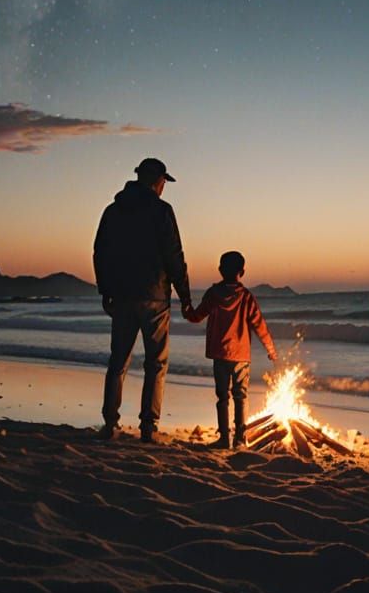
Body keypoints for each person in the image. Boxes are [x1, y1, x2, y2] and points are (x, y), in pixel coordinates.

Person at [93, 158, 191, 442]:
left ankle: (110, 424)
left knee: (119, 361)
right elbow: (174, 255)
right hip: (155, 297)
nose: (164, 188)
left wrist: (106, 290)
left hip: (122, 295)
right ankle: (148, 427)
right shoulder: (161, 211)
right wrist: (184, 295)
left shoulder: (113, 211)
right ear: (156, 180)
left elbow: (100, 252)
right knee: (156, 363)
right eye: (163, 182)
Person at [184, 251, 277, 449]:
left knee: (223, 397)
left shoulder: (213, 294)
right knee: (241, 396)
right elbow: (259, 324)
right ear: (242, 272)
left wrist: (187, 311)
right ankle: (240, 439)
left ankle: (224, 438)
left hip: (220, 353)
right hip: (241, 354)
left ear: (220, 270)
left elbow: (198, 315)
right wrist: (270, 348)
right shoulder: (246, 297)